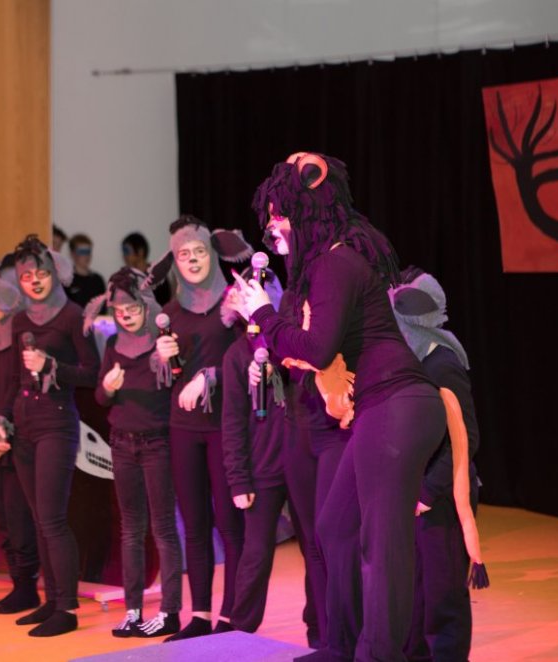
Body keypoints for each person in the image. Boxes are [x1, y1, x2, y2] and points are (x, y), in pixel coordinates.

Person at [231, 153, 447, 661]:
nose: (272, 227)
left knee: (382, 544)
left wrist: (263, 313)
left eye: (279, 215)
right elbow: (307, 348)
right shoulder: (327, 264)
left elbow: (318, 349)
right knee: (334, 526)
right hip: (383, 407)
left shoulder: (336, 261)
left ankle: (379, 654)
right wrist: (265, 322)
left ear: (305, 211)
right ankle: (343, 646)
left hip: (397, 405)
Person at [148, 215, 253, 641]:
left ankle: (232, 615)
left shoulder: (234, 302)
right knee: (194, 526)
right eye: (183, 254)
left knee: (230, 524)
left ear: (212, 253)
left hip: (227, 427)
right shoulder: (170, 312)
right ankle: (201, 616)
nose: (192, 260)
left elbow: (255, 359)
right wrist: (161, 357)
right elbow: (166, 375)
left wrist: (212, 376)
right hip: (183, 429)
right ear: (174, 261)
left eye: (198, 252)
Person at [0, 234, 101, 637]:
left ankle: (67, 609)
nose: (34, 281)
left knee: (53, 520)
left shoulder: (73, 316)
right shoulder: (20, 319)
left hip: (57, 422)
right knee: (39, 520)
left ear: (54, 272)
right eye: (26, 276)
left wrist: (52, 366)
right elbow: (16, 379)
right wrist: (1, 418)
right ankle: (52, 600)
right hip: (24, 424)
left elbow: (92, 373)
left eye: (40, 273)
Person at [390, 268, 484, 662]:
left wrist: (429, 491)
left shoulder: (441, 363)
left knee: (442, 594)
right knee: (414, 593)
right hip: (416, 493)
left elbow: (467, 438)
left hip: (441, 497)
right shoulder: (414, 361)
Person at [85, 267, 183, 639]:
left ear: (145, 306)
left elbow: (176, 382)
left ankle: (170, 612)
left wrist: (168, 360)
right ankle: (133, 611)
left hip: (157, 442)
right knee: (130, 529)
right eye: (119, 310)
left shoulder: (162, 341)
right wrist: (109, 388)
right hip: (121, 443)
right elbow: (99, 397)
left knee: (163, 529)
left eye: (132, 309)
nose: (125, 316)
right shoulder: (113, 344)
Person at [220, 274, 292, 635]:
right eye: (238, 296)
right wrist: (239, 479)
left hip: (301, 460)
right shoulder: (235, 355)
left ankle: (324, 630)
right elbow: (232, 421)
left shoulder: (290, 340)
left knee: (318, 546)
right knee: (256, 552)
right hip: (262, 467)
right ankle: (241, 629)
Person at [0, 254, 41, 615]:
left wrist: (4, 429)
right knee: (4, 517)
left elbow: (22, 385)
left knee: (20, 518)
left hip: (20, 436)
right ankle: (18, 583)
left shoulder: (23, 332)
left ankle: (28, 587)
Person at [122, 232, 170, 304]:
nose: (124, 256)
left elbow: (164, 303)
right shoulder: (126, 278)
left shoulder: (158, 275)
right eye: (124, 252)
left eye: (127, 251)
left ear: (140, 252)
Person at [66, 233, 106, 307]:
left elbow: (103, 308)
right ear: (72, 254)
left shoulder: (98, 280)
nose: (86, 256)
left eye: (88, 251)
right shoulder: (66, 280)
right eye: (82, 252)